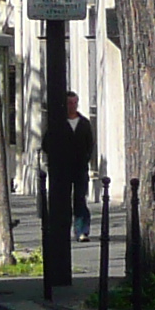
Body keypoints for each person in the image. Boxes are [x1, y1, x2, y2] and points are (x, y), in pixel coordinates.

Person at [43, 90, 95, 234]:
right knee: (63, 201)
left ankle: (81, 231)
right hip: (62, 169)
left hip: (79, 168)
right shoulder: (58, 123)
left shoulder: (84, 123)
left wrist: (85, 159)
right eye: (69, 103)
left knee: (80, 199)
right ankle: (62, 230)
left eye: (74, 103)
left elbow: (90, 144)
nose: (72, 106)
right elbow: (46, 144)